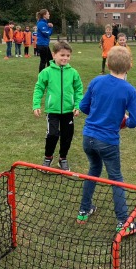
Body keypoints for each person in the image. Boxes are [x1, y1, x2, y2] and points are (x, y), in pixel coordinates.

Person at [76, 46, 136, 232]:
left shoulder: (97, 81)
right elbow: (135, 121)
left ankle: (84, 209)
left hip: (88, 138)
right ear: (130, 66)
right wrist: (124, 121)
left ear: (107, 63)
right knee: (116, 179)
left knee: (94, 170)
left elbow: (84, 106)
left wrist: (115, 119)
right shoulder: (129, 90)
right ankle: (124, 222)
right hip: (106, 141)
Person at [33, 41, 83, 172]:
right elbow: (39, 88)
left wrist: (77, 105)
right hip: (53, 111)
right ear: (54, 55)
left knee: (67, 136)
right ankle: (48, 158)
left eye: (68, 55)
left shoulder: (73, 73)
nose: (65, 58)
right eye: (62, 55)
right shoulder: (46, 72)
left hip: (68, 111)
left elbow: (79, 90)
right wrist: (36, 104)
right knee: (53, 135)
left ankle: (63, 158)